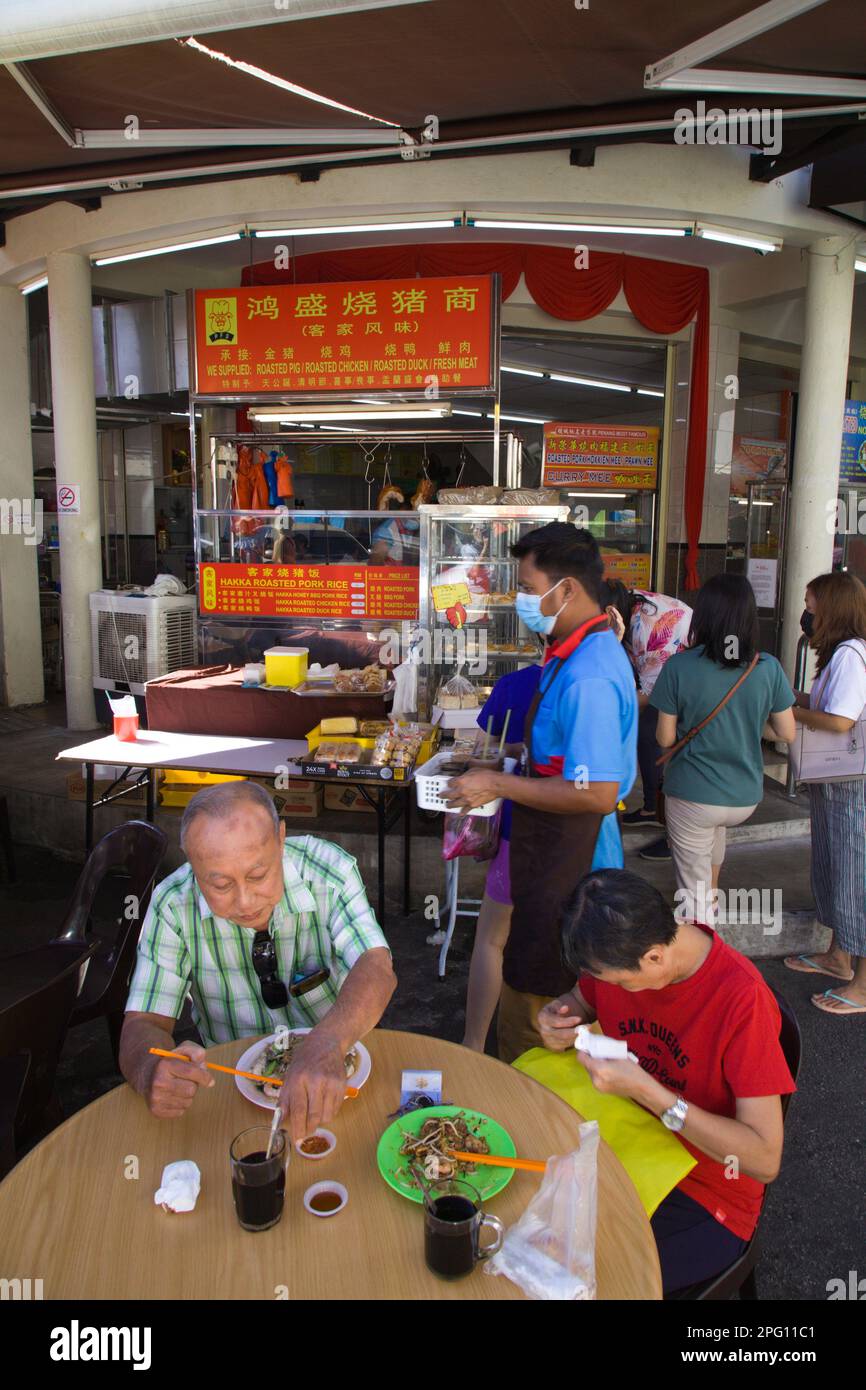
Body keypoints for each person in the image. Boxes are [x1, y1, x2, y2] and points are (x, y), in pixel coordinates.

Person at [537, 870, 795, 1296]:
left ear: (655, 957)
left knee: (578, 1282)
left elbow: (765, 1159)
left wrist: (649, 1092)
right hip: (628, 1142)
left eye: (619, 982)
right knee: (523, 1226)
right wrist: (562, 1014)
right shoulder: (626, 950)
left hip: (708, 1192)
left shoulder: (740, 1001)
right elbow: (584, 999)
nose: (609, 990)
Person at [447, 522, 637, 1062]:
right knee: (525, 989)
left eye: (530, 588)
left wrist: (496, 782)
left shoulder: (591, 673)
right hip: (545, 853)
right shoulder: (570, 655)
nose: (524, 600)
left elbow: (597, 792)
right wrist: (507, 763)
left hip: (572, 861)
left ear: (568, 589)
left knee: (542, 1018)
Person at [120, 782, 396, 1141]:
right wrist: (150, 1069)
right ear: (192, 863)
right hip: (232, 1096)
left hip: (339, 1075)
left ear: (281, 838)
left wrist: (327, 1041)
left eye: (257, 875)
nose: (246, 902)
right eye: (220, 885)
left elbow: (376, 967)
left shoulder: (328, 871)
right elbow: (142, 1022)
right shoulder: (172, 905)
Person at [649, 574, 796, 926]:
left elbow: (665, 740)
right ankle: (711, 902)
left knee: (691, 893)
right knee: (713, 846)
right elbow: (786, 733)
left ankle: (703, 954)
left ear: (704, 615)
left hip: (693, 795)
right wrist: (746, 721)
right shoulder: (768, 667)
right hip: (743, 797)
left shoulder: (679, 666)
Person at [784, 571, 866, 1015]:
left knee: (856, 876)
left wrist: (792, 710)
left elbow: (840, 721)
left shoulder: (853, 655)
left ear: (831, 608)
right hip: (835, 782)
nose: (807, 612)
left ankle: (863, 984)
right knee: (835, 868)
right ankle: (839, 957)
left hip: (853, 785)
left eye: (812, 603)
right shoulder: (842, 655)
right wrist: (791, 696)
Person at [460, 661, 542, 1052]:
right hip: (575, 838)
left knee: (492, 940)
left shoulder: (512, 685)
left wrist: (502, 759)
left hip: (514, 829)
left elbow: (480, 752)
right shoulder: (594, 681)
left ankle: (473, 1044)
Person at [601, 578, 693, 862]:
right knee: (646, 735)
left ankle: (674, 835)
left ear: (608, 611)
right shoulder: (626, 609)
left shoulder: (648, 627)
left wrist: (609, 710)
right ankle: (653, 807)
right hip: (669, 676)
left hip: (689, 680)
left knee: (660, 742)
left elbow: (651, 693)